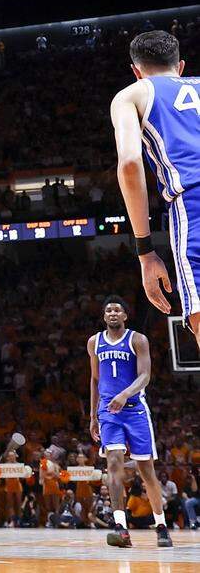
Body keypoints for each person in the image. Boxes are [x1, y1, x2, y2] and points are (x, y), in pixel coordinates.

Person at [109, 30, 200, 345]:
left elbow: (131, 163)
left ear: (136, 71)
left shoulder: (132, 95)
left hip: (193, 203)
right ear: (181, 66)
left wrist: (145, 253)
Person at [88, 296, 173, 548]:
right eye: (108, 310)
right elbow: (94, 379)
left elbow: (145, 375)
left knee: (146, 471)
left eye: (117, 310)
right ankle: (120, 528)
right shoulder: (94, 342)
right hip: (107, 411)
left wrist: (125, 395)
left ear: (125, 315)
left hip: (135, 409)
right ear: (104, 316)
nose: (113, 313)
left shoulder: (137, 340)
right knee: (113, 464)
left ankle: (161, 525)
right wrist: (93, 415)